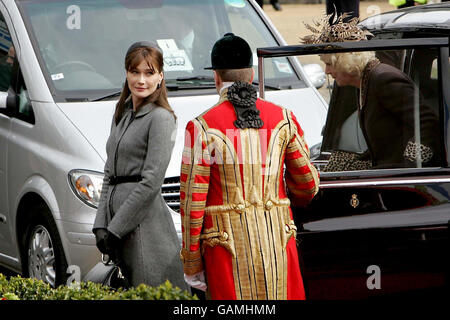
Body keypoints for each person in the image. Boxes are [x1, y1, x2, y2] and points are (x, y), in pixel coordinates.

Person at [179, 33, 319, 300]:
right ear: (252, 74)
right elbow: (308, 185)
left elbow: (192, 204)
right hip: (278, 241)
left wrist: (192, 261)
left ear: (216, 78)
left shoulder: (200, 127)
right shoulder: (284, 118)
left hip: (225, 249)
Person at [92, 41, 188, 291]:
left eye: (149, 72)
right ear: (126, 73)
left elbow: (151, 181)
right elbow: (108, 173)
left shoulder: (161, 118)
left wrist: (115, 229)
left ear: (160, 77)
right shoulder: (121, 113)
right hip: (117, 225)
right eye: (135, 72)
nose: (141, 80)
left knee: (148, 292)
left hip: (145, 229)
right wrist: (100, 223)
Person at [302, 15, 439, 169]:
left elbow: (427, 122)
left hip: (399, 176)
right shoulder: (365, 81)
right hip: (385, 169)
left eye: (329, 64)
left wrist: (411, 165)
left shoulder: (384, 79)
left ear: (345, 62)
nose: (326, 71)